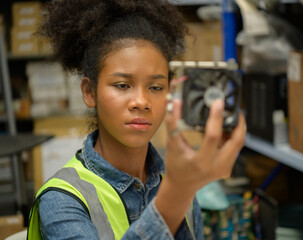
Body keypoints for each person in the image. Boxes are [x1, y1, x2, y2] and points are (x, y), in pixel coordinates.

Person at [27, 0, 246, 239]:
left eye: (155, 87)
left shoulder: (177, 183)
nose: (141, 101)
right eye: (122, 85)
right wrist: (177, 195)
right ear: (90, 92)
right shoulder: (61, 199)